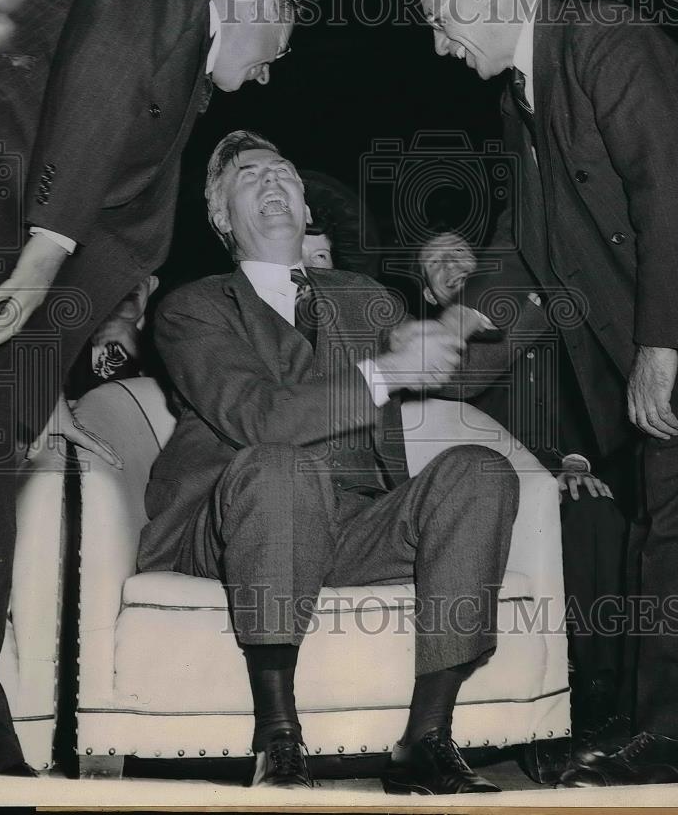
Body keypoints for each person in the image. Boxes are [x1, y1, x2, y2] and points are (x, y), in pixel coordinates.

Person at [0, 0, 295, 774]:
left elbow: (122, 217)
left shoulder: (189, 77)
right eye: (273, 51)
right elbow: (100, 79)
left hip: (17, 282)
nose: (266, 77)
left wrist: (38, 399)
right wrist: (45, 246)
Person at [137, 130, 520, 794]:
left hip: (354, 524)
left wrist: (467, 313)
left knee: (480, 471)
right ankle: (278, 741)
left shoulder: (362, 295)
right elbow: (257, 416)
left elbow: (454, 374)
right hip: (236, 525)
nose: (272, 183)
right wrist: (386, 369)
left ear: (307, 207)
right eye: (249, 177)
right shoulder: (192, 308)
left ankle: (425, 741)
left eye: (283, 173)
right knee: (284, 463)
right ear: (223, 218)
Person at [417, 0, 678, 786]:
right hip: (655, 348)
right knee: (672, 528)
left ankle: (672, 742)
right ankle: (664, 731)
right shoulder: (518, 101)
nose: (438, 44)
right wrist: (449, 333)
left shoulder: (605, 42)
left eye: (438, 18)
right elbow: (533, 254)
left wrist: (662, 344)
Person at [417, 229, 627, 780]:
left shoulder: (543, 326)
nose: (454, 265)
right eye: (437, 263)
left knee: (596, 514)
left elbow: (584, 405)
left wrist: (576, 465)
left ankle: (596, 703)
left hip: (561, 474)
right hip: (486, 484)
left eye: (463, 254)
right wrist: (539, 476)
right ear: (428, 292)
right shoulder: (434, 348)